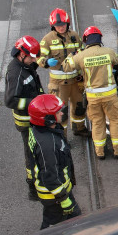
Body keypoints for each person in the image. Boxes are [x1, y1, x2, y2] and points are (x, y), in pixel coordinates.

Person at [64, 26, 118, 160]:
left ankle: (100, 152)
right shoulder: (108, 52)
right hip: (110, 96)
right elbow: (116, 61)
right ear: (100, 39)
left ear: (86, 40)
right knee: (115, 121)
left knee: (97, 123)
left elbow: (66, 67)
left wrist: (73, 54)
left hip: (93, 98)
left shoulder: (81, 56)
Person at [27, 94, 81, 228]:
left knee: (51, 221)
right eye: (57, 112)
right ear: (48, 119)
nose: (62, 113)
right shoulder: (48, 145)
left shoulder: (40, 131)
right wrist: (64, 200)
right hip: (54, 197)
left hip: (55, 195)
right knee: (65, 224)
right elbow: (50, 176)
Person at [5, 36, 46, 199]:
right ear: (22, 55)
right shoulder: (16, 73)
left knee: (38, 149)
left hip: (34, 116)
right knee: (31, 153)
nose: (34, 59)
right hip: (26, 121)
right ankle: (33, 187)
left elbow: (32, 67)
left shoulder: (25, 65)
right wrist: (35, 102)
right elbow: (10, 100)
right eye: (32, 57)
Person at [37, 8, 88, 138]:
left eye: (63, 25)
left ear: (67, 24)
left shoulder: (74, 36)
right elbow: (38, 57)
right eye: (58, 26)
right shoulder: (47, 39)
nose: (61, 28)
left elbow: (82, 52)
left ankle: (79, 129)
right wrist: (47, 62)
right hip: (59, 85)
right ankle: (61, 136)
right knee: (61, 112)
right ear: (53, 26)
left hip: (75, 81)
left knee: (79, 107)